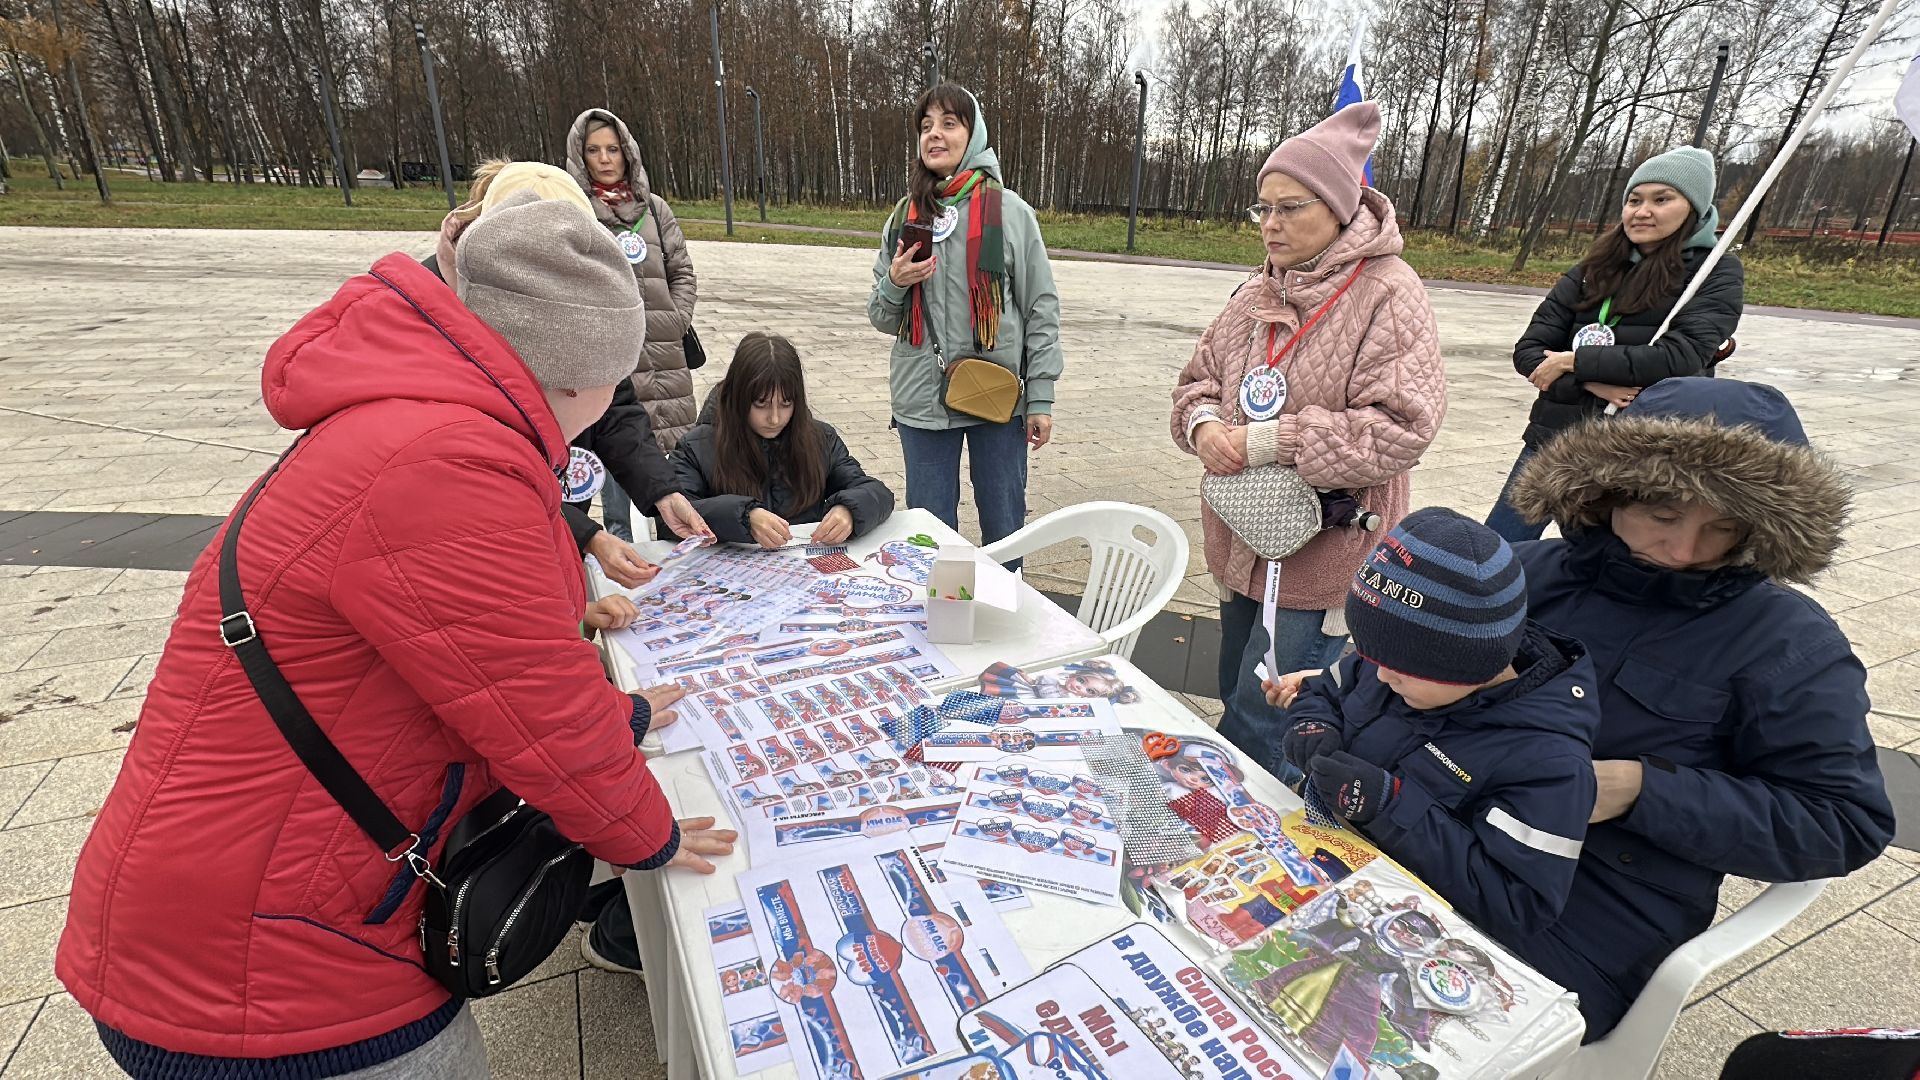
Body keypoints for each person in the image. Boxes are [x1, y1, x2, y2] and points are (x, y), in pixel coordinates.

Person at [56, 193, 737, 1075]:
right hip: (264, 956)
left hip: (248, 895)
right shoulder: (450, 463)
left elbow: (480, 672)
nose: (612, 407)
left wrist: (623, 716)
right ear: (576, 371)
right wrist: (653, 838)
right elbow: (539, 713)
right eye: (616, 382)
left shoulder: (420, 412)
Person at [1275, 378, 1896, 1040]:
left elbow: (1845, 822)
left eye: (1723, 528)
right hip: (1405, 830)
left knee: (1350, 1022)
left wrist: (1640, 790)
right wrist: (1356, 689)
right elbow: (1407, 660)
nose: (1687, 550)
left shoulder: (1789, 642)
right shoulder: (1525, 573)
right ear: (1604, 493)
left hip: (1587, 911)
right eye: (1662, 517)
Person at [1170, 101, 1446, 762]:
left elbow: (1402, 428)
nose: (1269, 224)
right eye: (1261, 208)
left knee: (1269, 718)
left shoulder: (1388, 292)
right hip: (1243, 540)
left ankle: (1244, 837)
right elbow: (1195, 383)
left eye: (1289, 207)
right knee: (1235, 690)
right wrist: (1204, 424)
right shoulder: (1257, 292)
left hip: (1320, 553)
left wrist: (1272, 442)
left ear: (1339, 204)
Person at [1272, 507, 1600, 943]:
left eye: (1400, 670)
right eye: (1371, 657)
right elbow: (1325, 691)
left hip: (1404, 926)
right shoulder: (1396, 658)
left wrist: (1389, 806)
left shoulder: (1548, 762)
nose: (1382, 676)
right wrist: (1311, 724)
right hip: (1319, 864)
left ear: (1469, 665)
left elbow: (1519, 905)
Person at [419, 159, 710, 585]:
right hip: (481, 546)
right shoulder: (440, 315)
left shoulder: (577, 288)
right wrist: (587, 535)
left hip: (560, 490)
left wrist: (662, 491)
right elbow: (476, 482)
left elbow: (616, 406)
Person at [1484, 146, 1743, 543]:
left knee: (1605, 556)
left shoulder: (1714, 272)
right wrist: (1588, 381)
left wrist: (1575, 362)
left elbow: (1680, 357)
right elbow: (1531, 351)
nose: (1642, 211)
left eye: (1662, 199)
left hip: (1642, 451)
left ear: (1693, 207)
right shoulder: (1593, 269)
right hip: (1557, 436)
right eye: (1634, 200)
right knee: (1497, 548)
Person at [867, 84, 1063, 563]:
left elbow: (1041, 308)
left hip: (996, 397)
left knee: (1004, 527)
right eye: (926, 126)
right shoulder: (904, 216)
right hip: (922, 401)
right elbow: (880, 315)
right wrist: (896, 281)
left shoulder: (1012, 215)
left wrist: (1039, 397)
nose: (934, 134)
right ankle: (941, 625)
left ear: (973, 136)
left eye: (948, 123)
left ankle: (1007, 621)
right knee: (931, 538)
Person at [567, 107, 700, 540]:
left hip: (663, 353)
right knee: (617, 446)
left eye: (613, 149)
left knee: (674, 456)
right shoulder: (574, 211)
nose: (605, 159)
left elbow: (682, 270)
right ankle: (618, 544)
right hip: (611, 358)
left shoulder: (655, 210)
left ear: (628, 154)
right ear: (579, 156)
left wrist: (675, 319)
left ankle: (675, 542)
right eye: (593, 150)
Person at [672, 332, 895, 549]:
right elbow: (670, 518)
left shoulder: (821, 439)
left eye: (786, 404)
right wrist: (743, 517)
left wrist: (850, 511)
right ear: (738, 397)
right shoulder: (697, 447)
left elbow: (876, 492)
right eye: (761, 404)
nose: (775, 418)